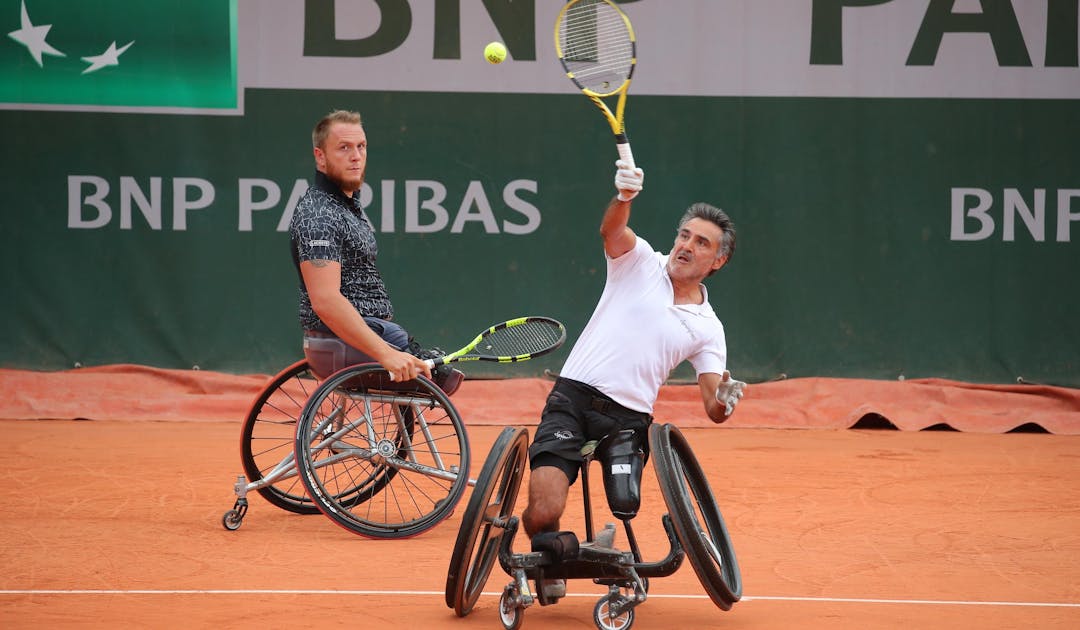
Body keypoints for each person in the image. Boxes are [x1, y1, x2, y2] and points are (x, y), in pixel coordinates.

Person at [521, 159, 746, 598]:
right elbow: (612, 231)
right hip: (572, 399)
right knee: (543, 508)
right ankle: (569, 551)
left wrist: (727, 396)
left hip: (627, 420)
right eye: (684, 235)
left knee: (626, 503)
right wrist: (624, 197)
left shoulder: (708, 328)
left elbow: (713, 405)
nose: (686, 246)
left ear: (717, 261)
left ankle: (568, 554)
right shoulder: (640, 262)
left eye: (701, 243)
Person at [289, 109, 460, 392]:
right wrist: (387, 354)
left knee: (440, 372)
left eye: (361, 146)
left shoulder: (343, 207)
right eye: (344, 148)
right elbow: (326, 301)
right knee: (437, 379)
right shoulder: (318, 215)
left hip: (360, 339)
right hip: (345, 347)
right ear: (320, 157)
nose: (356, 156)